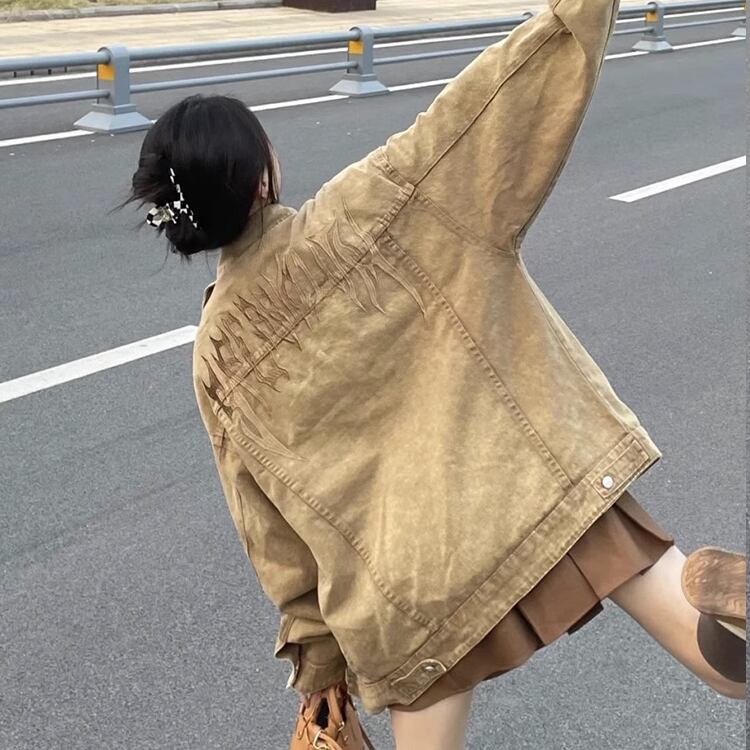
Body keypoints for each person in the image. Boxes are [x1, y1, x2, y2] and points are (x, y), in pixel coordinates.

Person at [122, 0, 746, 744]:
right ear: (261, 179)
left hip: (407, 590)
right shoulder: (374, 203)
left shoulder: (216, 359)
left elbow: (273, 538)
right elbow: (492, 105)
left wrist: (319, 666)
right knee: (708, 647)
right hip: (533, 488)